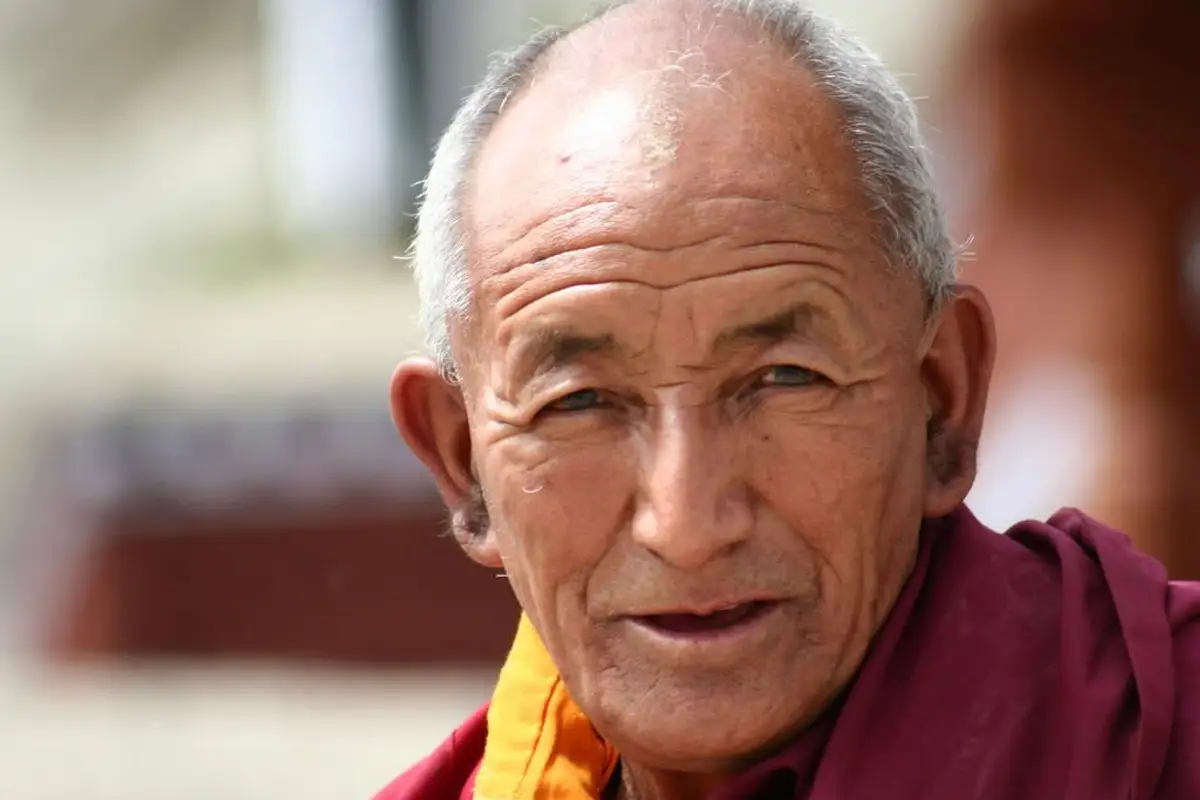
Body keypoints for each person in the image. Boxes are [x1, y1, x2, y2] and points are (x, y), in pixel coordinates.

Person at [378, 0, 1200, 797]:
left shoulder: (1151, 739)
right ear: (461, 461)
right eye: (580, 401)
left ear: (942, 401)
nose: (687, 525)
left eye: (784, 379)